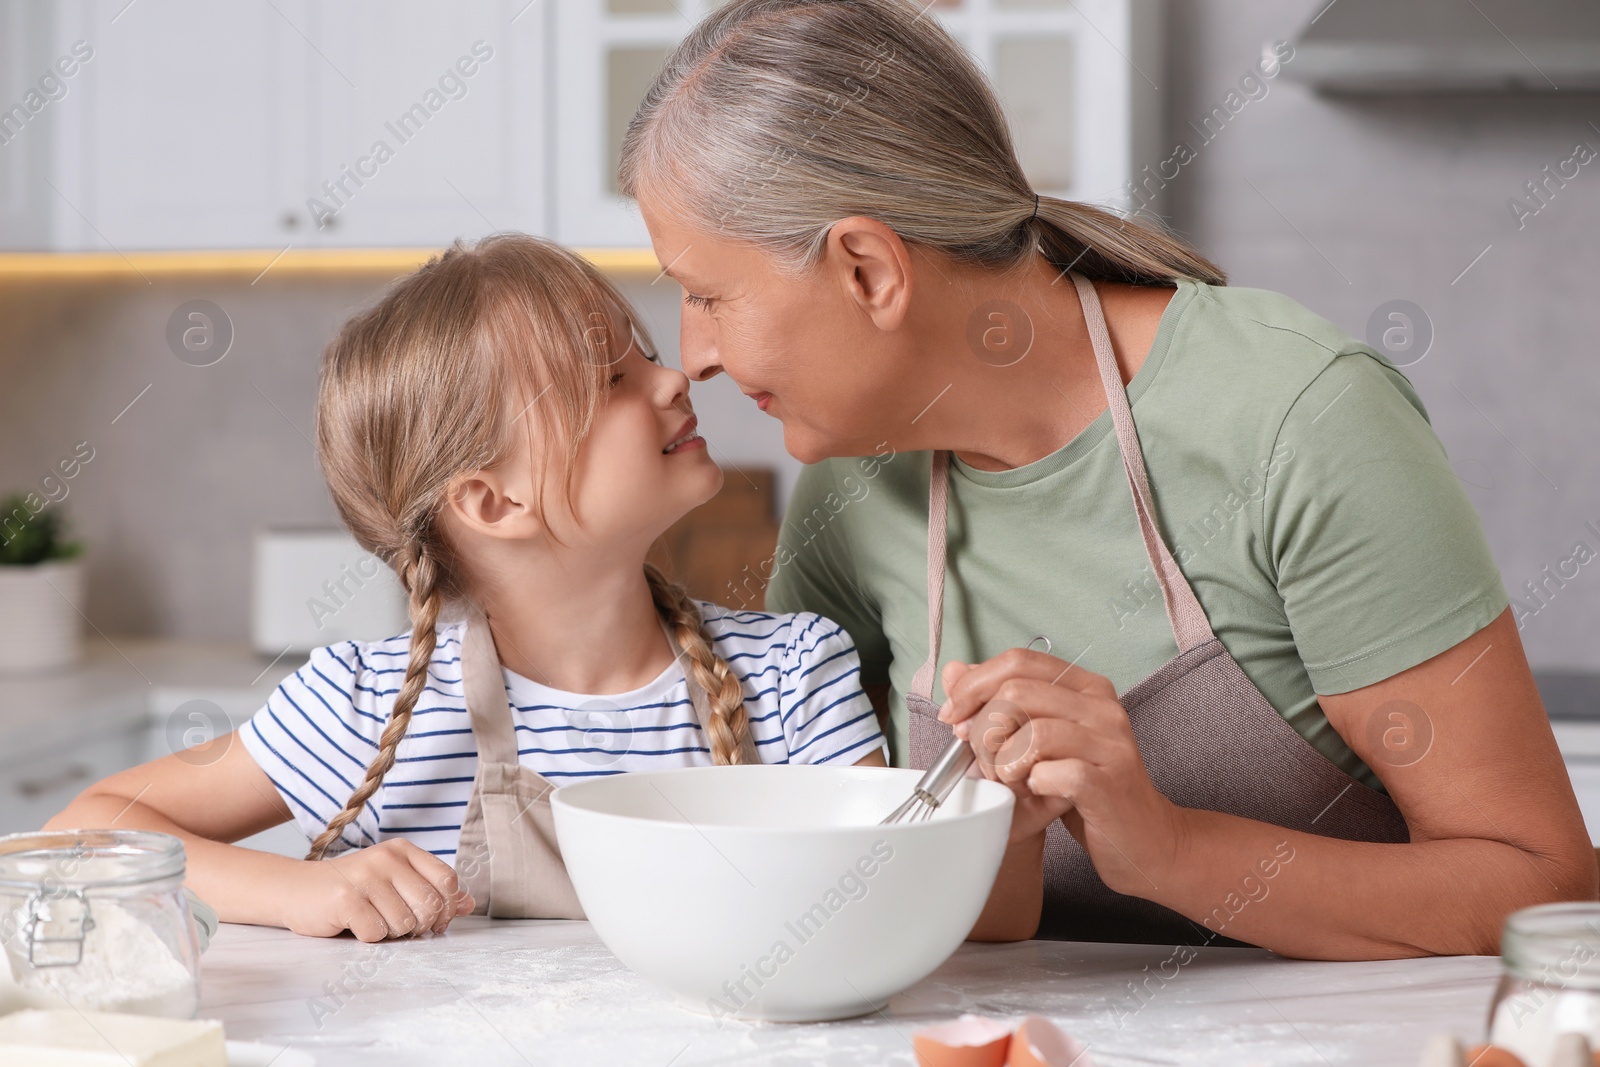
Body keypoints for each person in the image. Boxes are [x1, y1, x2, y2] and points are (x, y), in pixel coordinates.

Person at [617, 0, 1597, 955]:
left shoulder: (1298, 421)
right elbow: (838, 890)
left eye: (707, 294)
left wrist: (1169, 848)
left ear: (868, 268)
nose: (692, 353)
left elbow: (1542, 881)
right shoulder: (852, 481)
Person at [47, 234, 886, 942]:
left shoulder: (793, 675)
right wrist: (303, 892)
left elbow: (891, 902)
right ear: (493, 500)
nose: (672, 382)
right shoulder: (365, 706)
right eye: (610, 383)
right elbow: (84, 830)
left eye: (649, 360)